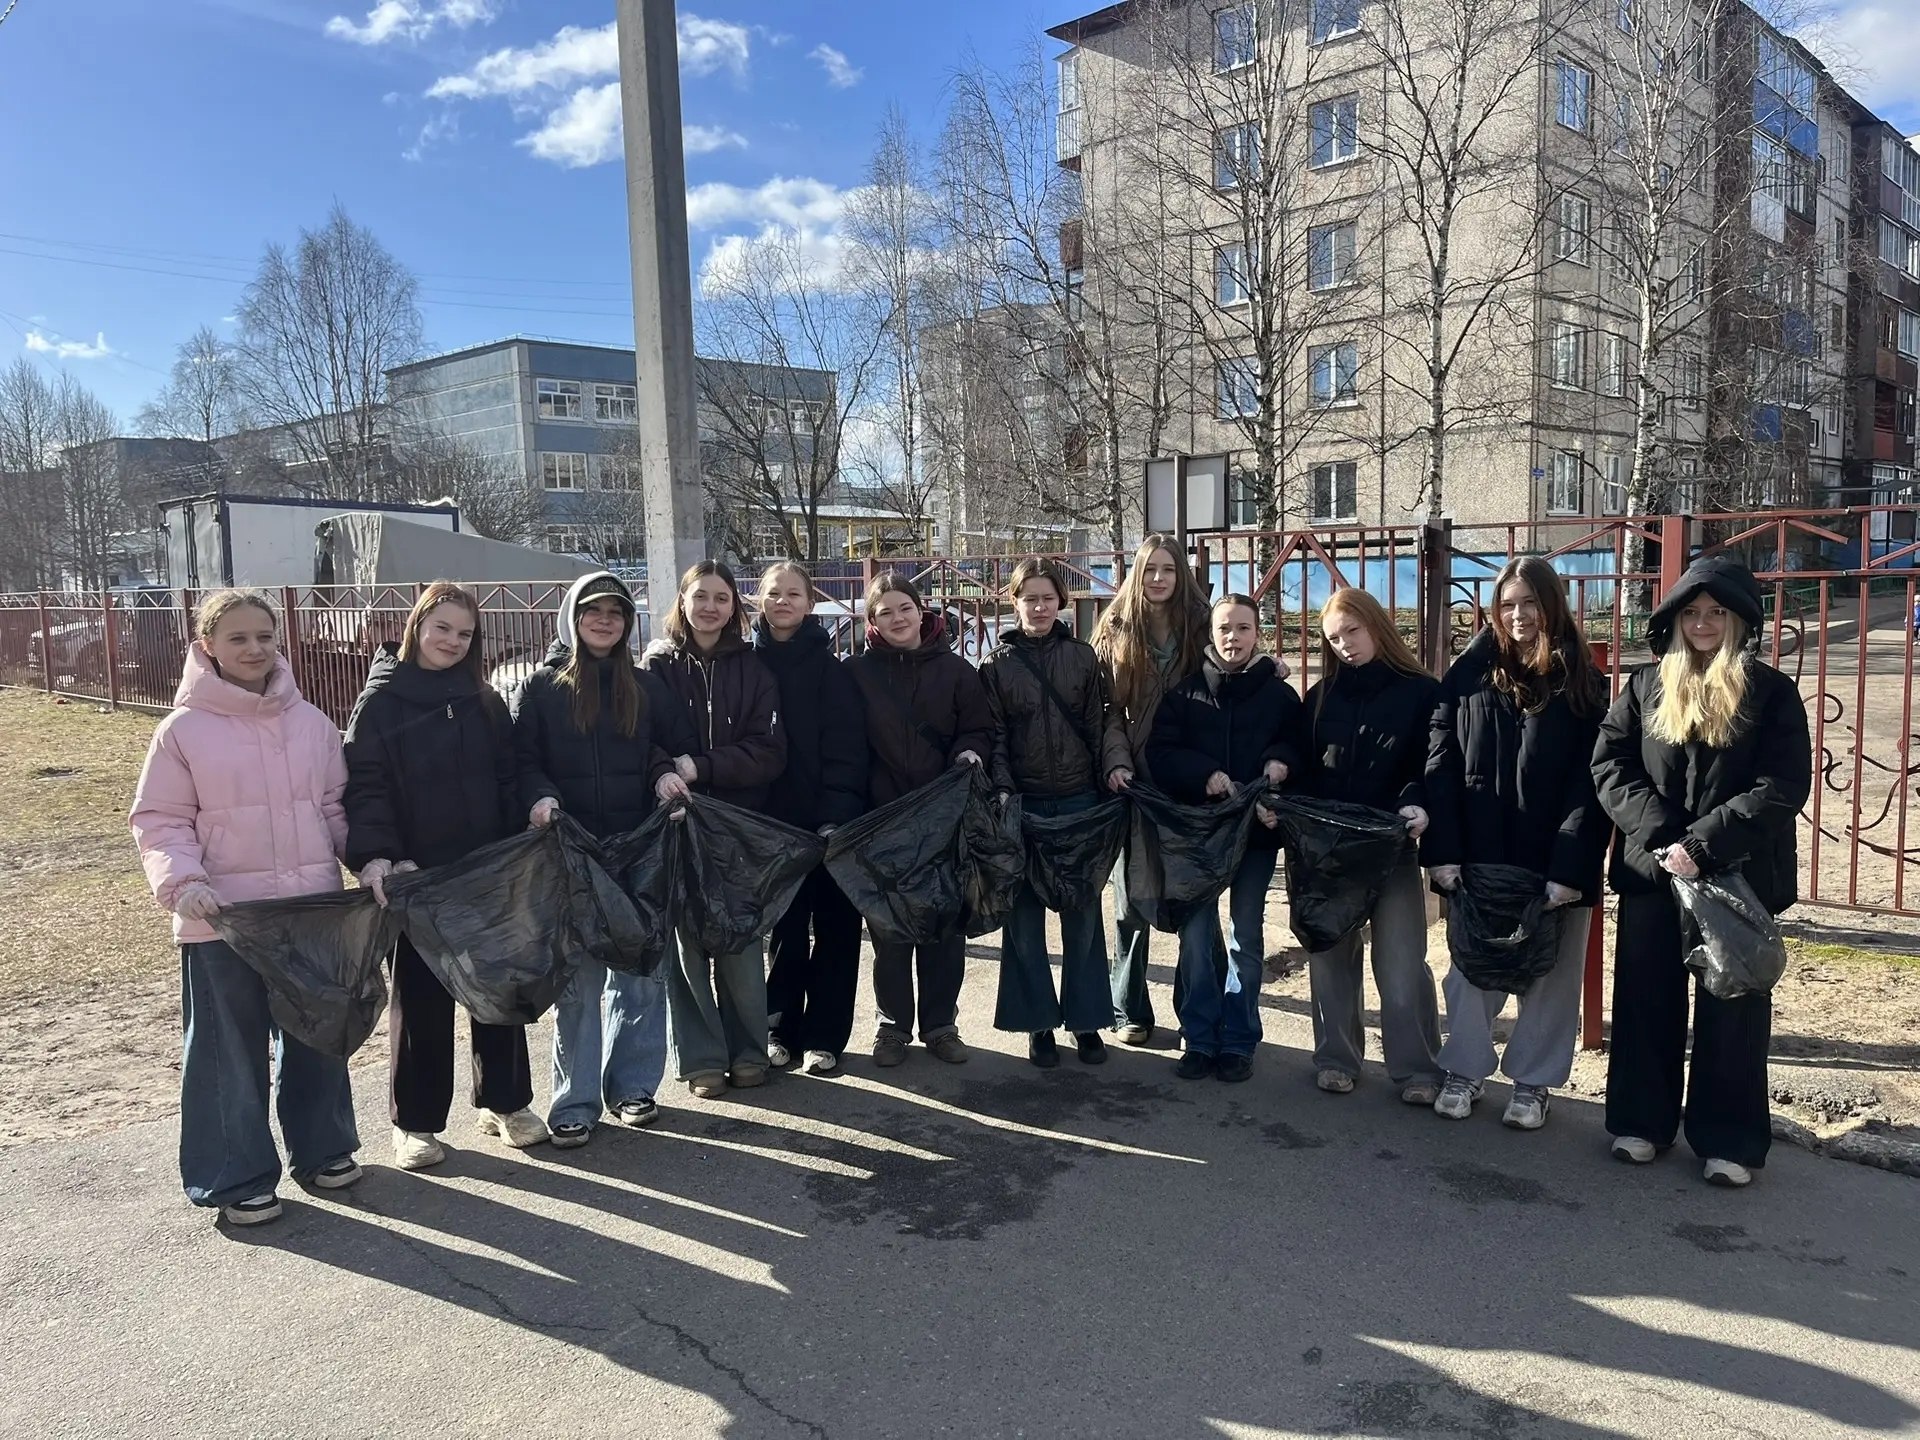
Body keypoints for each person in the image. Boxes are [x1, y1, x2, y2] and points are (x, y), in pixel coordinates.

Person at [130, 588, 361, 1226]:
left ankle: (324, 1148)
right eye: (237, 638)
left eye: (264, 635)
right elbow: (161, 821)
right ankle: (236, 1175)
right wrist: (184, 884)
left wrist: (368, 860)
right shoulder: (182, 732)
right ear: (207, 646)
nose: (254, 648)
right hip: (222, 919)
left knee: (316, 1034)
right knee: (226, 1049)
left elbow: (336, 810)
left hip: (309, 915)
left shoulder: (311, 723)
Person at [1593, 555, 1810, 1187]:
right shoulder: (1644, 687)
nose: (1705, 623)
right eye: (1692, 612)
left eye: (1717, 612)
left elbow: (1781, 783)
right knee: (1645, 998)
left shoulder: (1770, 692)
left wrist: (1706, 845)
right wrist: (1666, 839)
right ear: (1674, 618)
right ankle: (1641, 1122)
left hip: (1738, 879)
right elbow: (1610, 766)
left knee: (1732, 1007)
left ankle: (1729, 1139)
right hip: (1654, 873)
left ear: (1740, 619)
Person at [343, 582, 546, 1171]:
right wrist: (380, 856)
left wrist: (526, 819)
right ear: (417, 627)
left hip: (486, 873)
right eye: (442, 628)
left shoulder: (483, 699)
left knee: (498, 991)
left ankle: (505, 1103)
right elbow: (365, 786)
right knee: (424, 1000)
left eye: (464, 633)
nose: (452, 642)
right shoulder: (382, 702)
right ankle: (417, 1123)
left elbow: (510, 775)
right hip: (418, 877)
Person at [1424, 556, 1609, 1130]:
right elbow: (1441, 762)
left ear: (1551, 605)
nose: (1519, 614)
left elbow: (1595, 780)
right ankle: (1465, 1068)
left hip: (1553, 856)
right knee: (1470, 969)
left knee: (1552, 977)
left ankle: (1532, 1083)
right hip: (1480, 853)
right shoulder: (1468, 674)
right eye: (1508, 604)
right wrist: (1443, 852)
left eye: (1530, 602)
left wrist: (1570, 866)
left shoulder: (1583, 681)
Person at [511, 571, 692, 1147]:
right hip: (569, 854)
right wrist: (538, 796)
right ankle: (575, 1100)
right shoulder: (542, 688)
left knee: (640, 973)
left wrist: (663, 774)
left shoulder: (645, 687)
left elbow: (655, 749)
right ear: (573, 616)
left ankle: (634, 1088)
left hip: (638, 851)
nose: (605, 621)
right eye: (594, 611)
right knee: (581, 982)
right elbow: (522, 760)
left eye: (616, 613)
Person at [643, 560, 788, 1099]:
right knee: (684, 945)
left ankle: (750, 1050)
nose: (710, 607)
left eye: (721, 598)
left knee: (740, 941)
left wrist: (702, 767)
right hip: (674, 822)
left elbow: (770, 751)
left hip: (736, 826)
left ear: (734, 607)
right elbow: (639, 737)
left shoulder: (754, 671)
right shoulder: (655, 669)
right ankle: (701, 1058)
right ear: (682, 600)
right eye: (700, 595)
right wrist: (662, 772)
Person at [1296, 588, 1444, 1104]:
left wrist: (1418, 803)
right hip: (1330, 852)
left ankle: (1419, 1069)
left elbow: (1432, 765)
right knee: (1331, 956)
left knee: (1401, 963)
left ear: (1377, 626)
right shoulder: (1319, 698)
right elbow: (1303, 767)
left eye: (1352, 632)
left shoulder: (1422, 692)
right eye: (1333, 638)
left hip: (1393, 848)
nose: (1344, 645)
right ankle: (1336, 1059)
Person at [1146, 594, 1301, 1083]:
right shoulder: (1185, 695)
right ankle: (1199, 1037)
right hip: (1199, 838)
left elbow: (1301, 745)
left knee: (1245, 938)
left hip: (1255, 836)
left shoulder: (1279, 696)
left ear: (1259, 633)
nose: (1233, 637)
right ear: (1209, 635)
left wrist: (1281, 760)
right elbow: (1161, 753)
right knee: (1194, 941)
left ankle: (1237, 1041)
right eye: (1224, 629)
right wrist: (1204, 774)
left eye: (1243, 628)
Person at [846, 571, 995, 1067]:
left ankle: (940, 1024)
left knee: (944, 924)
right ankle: (893, 1027)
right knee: (889, 929)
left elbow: (977, 728)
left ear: (921, 609)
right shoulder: (857, 674)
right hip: (883, 820)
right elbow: (846, 747)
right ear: (872, 621)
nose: (897, 618)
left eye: (904, 608)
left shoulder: (956, 672)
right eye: (884, 612)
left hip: (943, 820)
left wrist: (970, 752)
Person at [980, 557, 1113, 1068]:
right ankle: (1038, 1023)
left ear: (1062, 602)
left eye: (1047, 597)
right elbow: (994, 737)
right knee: (1024, 921)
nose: (1038, 607)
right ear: (1013, 602)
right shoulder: (995, 667)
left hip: (1080, 801)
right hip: (1023, 805)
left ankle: (1086, 1021)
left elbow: (1099, 728)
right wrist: (1006, 791)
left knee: (1082, 918)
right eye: (1028, 598)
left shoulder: (1083, 659)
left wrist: (1105, 784)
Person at [1089, 535, 1212, 1046]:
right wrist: (1117, 763)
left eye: (1168, 568)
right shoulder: (1115, 629)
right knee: (1130, 901)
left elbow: (1234, 671)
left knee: (1194, 898)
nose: (1159, 578)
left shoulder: (1203, 626)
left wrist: (1270, 668)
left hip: (1188, 775)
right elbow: (1105, 711)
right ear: (1137, 575)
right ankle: (1129, 1008)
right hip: (1134, 780)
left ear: (1180, 574)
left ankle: (1196, 1014)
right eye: (1150, 569)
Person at [751, 561, 868, 1076]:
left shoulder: (831, 670)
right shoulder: (746, 665)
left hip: (830, 823)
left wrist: (835, 815)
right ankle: (780, 1030)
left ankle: (825, 1036)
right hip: (771, 825)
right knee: (784, 931)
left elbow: (847, 750)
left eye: (794, 593)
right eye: (774, 593)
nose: (783, 602)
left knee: (838, 929)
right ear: (759, 600)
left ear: (810, 601)